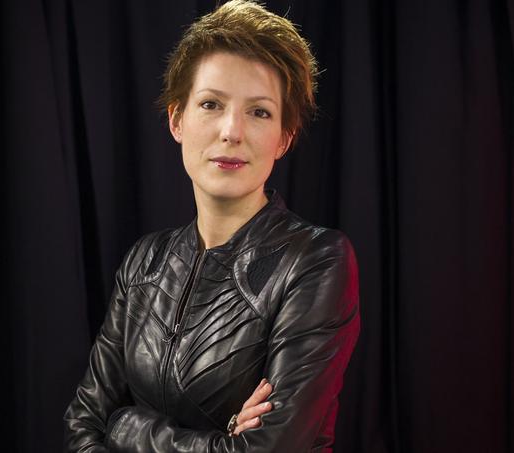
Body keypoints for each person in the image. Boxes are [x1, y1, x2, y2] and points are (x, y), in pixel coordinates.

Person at [64, 1, 360, 451]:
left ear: (284, 137)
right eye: (211, 104)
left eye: (259, 112)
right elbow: (82, 427)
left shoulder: (316, 261)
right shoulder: (145, 261)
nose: (231, 131)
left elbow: (270, 448)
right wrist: (220, 441)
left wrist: (126, 427)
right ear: (177, 120)